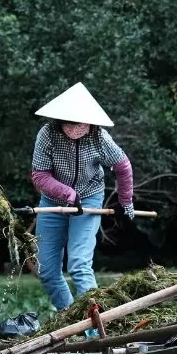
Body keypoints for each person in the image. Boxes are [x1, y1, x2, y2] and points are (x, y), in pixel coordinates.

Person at [30, 82, 135, 310]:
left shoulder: (99, 137)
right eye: (70, 124)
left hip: (89, 198)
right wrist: (67, 193)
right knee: (47, 270)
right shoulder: (47, 135)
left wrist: (125, 201)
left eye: (80, 124)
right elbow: (40, 175)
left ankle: (96, 324)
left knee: (79, 264)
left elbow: (122, 167)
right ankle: (69, 316)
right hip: (53, 202)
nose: (75, 128)